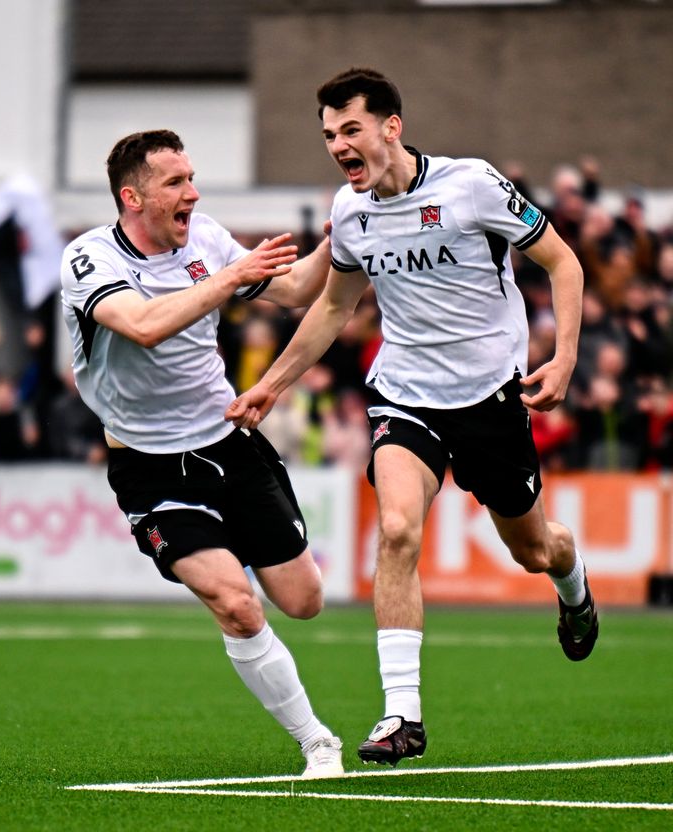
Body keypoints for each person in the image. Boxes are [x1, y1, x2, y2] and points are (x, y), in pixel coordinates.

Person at [226, 68, 599, 767]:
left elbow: (563, 262)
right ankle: (403, 715)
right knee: (397, 529)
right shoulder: (351, 209)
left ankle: (572, 583)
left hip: (491, 396)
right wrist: (273, 384)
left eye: (350, 130)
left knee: (533, 550)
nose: (339, 144)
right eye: (330, 134)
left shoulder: (471, 186)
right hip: (405, 394)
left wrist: (566, 358)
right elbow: (333, 306)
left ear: (391, 127)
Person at [60, 129, 343, 779]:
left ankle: (242, 557)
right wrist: (234, 278)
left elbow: (296, 290)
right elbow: (144, 326)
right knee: (238, 605)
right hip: (151, 466)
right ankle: (317, 742)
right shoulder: (90, 258)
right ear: (133, 197)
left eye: (192, 178)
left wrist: (341, 233)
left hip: (228, 445)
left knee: (303, 601)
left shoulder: (207, 237)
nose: (193, 192)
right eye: (176, 183)